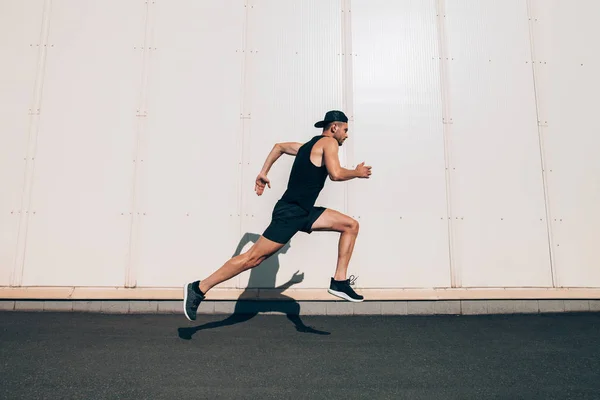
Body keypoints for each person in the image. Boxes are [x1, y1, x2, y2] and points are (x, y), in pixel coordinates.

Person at [183, 110, 372, 321]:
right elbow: (335, 174)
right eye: (345, 130)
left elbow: (279, 147)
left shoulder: (306, 147)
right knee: (252, 259)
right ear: (334, 128)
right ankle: (198, 288)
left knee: (350, 226)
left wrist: (264, 172)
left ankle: (339, 281)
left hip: (304, 211)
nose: (346, 135)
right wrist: (356, 172)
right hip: (291, 212)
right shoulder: (329, 144)